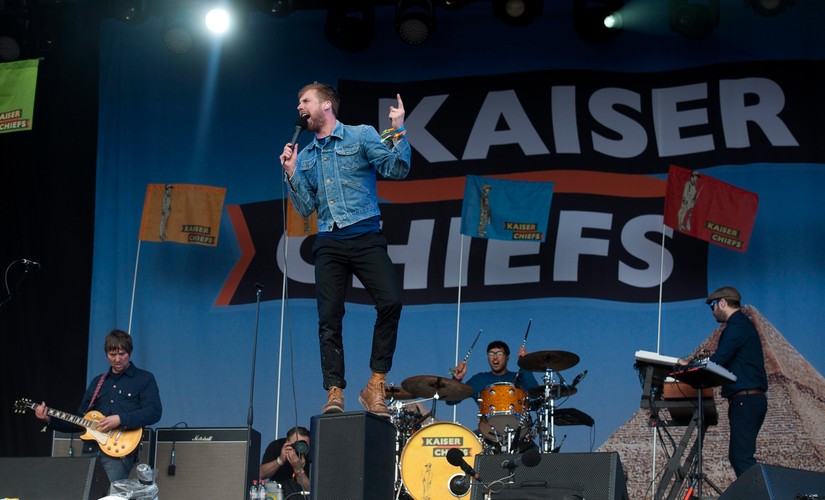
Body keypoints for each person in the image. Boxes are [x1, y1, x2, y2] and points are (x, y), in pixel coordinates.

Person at [279, 82, 411, 417]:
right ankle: (334, 390)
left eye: (304, 100)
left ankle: (376, 384)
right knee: (329, 317)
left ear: (325, 105)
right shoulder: (306, 156)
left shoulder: (361, 135)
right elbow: (306, 207)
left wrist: (398, 130)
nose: (299, 107)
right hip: (329, 241)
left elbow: (397, 168)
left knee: (391, 301)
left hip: (366, 235)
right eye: (299, 101)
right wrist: (292, 173)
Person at [34, 329, 162, 482]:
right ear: (106, 354)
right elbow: (79, 420)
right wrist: (48, 420)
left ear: (130, 352)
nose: (117, 359)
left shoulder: (144, 379)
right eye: (112, 355)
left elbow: (154, 411)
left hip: (117, 452)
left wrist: (120, 419)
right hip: (90, 450)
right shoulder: (98, 382)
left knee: (109, 496)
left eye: (122, 354)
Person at [678, 286, 768, 477]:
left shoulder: (736, 327)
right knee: (740, 457)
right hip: (749, 400)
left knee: (741, 458)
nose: (712, 311)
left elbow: (719, 360)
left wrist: (688, 366)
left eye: (712, 306)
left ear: (722, 303)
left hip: (745, 400)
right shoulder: (743, 325)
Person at [450, 340, 539, 448]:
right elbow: (451, 400)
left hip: (518, 433)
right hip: (489, 434)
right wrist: (457, 379)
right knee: (468, 447)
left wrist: (525, 364)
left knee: (536, 458)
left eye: (499, 353)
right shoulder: (479, 380)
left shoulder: (519, 377)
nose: (495, 357)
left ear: (507, 357)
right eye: (491, 354)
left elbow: (535, 393)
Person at [259, 426, 311, 495]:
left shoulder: (312, 455)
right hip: (277, 494)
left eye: (304, 446)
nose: (300, 449)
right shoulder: (276, 446)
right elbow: (261, 474)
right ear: (287, 443)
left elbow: (310, 491)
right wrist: (280, 461)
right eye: (297, 444)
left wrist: (298, 469)